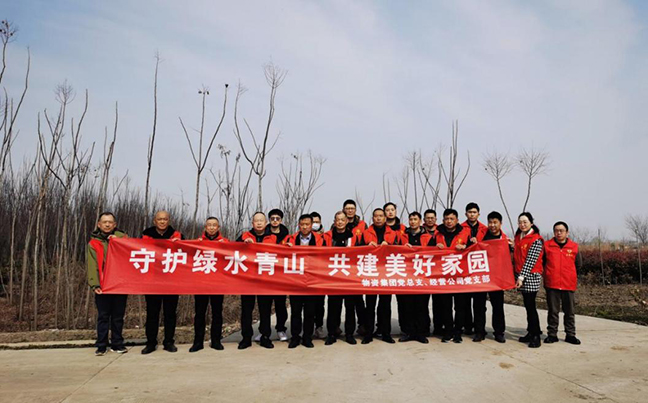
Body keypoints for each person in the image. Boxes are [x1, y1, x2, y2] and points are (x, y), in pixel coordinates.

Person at [141, 211, 183, 354]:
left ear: (169, 220)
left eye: (165, 219)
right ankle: (151, 342)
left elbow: (187, 253)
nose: (162, 221)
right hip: (152, 281)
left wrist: (179, 243)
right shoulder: (146, 235)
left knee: (170, 314)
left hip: (171, 281)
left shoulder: (177, 236)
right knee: (152, 314)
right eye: (160, 219)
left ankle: (169, 342)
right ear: (155, 221)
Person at [87, 212, 128, 356]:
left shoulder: (123, 239)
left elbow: (132, 253)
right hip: (103, 285)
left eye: (110, 222)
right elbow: (92, 265)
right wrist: (95, 284)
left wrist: (119, 242)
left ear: (115, 225)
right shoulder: (94, 243)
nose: (107, 224)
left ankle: (117, 343)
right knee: (103, 316)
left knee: (118, 316)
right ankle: (101, 344)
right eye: (104, 222)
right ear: (99, 225)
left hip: (120, 284)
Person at [359, 208, 400, 344]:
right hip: (371, 273)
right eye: (376, 216)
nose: (378, 218)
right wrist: (366, 246)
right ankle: (368, 333)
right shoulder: (366, 233)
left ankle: (386, 333)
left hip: (386, 273)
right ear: (372, 218)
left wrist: (389, 245)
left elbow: (400, 250)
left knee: (385, 305)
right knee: (370, 305)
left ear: (385, 218)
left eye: (381, 216)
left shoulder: (393, 233)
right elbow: (357, 251)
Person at [236, 212, 277, 350]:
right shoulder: (244, 236)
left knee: (265, 311)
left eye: (261, 221)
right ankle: (246, 337)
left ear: (266, 223)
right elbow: (232, 251)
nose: (259, 223)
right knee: (246, 311)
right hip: (248, 281)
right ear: (252, 223)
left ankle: (265, 336)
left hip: (266, 281)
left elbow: (281, 255)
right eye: (256, 221)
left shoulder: (273, 238)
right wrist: (243, 245)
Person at [285, 214, 326, 348]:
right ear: (299, 225)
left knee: (310, 312)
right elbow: (281, 253)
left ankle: (307, 337)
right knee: (295, 312)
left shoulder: (320, 239)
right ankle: (295, 337)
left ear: (311, 225)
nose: (304, 227)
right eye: (302, 224)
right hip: (295, 281)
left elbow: (326, 256)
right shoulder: (291, 239)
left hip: (312, 281)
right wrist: (286, 248)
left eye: (307, 224)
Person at [323, 211, 362, 345]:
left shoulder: (354, 237)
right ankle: (332, 333)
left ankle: (349, 334)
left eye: (342, 220)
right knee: (333, 308)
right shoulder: (327, 237)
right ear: (334, 222)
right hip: (333, 278)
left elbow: (361, 253)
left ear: (346, 221)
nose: (340, 222)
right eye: (337, 220)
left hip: (349, 278)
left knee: (350, 308)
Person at [190, 217, 228, 353]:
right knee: (200, 313)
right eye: (209, 225)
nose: (212, 227)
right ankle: (198, 342)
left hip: (217, 283)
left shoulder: (225, 243)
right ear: (205, 227)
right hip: (201, 283)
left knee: (217, 313)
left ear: (218, 228)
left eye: (214, 225)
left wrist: (225, 247)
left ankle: (216, 340)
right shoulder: (198, 243)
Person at [473, 211, 512, 343]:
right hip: (481, 275)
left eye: (495, 222)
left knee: (498, 306)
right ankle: (479, 331)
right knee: (479, 305)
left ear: (501, 223)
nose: (492, 225)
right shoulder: (481, 236)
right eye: (490, 222)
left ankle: (499, 332)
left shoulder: (504, 240)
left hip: (496, 278)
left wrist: (511, 247)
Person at [435, 208, 471, 343]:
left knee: (460, 307)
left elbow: (474, 251)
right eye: (446, 219)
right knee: (446, 306)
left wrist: (466, 247)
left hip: (460, 277)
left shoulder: (465, 234)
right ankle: (448, 331)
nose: (449, 221)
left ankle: (458, 332)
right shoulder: (437, 235)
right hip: (444, 276)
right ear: (443, 220)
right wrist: (435, 247)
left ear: (457, 220)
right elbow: (427, 253)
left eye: (452, 219)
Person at [543, 221, 582, 345]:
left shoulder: (574, 247)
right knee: (553, 311)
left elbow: (578, 264)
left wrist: (569, 274)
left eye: (561, 231)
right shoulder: (547, 246)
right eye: (556, 231)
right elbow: (542, 263)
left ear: (567, 232)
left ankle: (570, 334)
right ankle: (552, 334)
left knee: (569, 311)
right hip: (552, 283)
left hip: (568, 283)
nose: (559, 233)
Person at [400, 211, 435, 344]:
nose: (413, 222)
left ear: (420, 221)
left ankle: (421, 332)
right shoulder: (403, 237)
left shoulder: (428, 237)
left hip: (423, 276)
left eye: (415, 219)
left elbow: (434, 254)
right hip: (407, 276)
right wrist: (402, 248)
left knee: (422, 305)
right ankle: (408, 332)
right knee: (407, 306)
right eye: (411, 219)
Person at [514, 212, 544, 348]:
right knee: (527, 305)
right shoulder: (518, 237)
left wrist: (521, 277)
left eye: (525, 222)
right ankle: (531, 332)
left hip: (531, 276)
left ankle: (536, 335)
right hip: (521, 276)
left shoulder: (536, 239)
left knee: (531, 307)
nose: (522, 224)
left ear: (531, 223)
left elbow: (530, 261)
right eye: (520, 222)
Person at [261, 208, 290, 342]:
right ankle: (264, 331)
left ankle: (281, 329)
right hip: (266, 276)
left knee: (280, 305)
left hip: (280, 277)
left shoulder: (287, 236)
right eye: (272, 218)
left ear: (281, 220)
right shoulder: (263, 235)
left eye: (277, 218)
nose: (275, 221)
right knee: (264, 306)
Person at [462, 202, 489, 336]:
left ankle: (480, 329)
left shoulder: (485, 229)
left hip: (479, 269)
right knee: (465, 302)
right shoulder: (460, 228)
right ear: (466, 214)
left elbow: (491, 245)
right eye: (470, 212)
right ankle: (468, 326)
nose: (472, 214)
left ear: (478, 214)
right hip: (464, 270)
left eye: (474, 212)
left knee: (479, 303)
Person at [342, 199, 368, 336]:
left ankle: (363, 325)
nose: (350, 210)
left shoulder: (362, 225)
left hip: (358, 266)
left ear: (355, 210)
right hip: (343, 266)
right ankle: (342, 329)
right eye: (347, 208)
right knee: (345, 301)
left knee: (358, 299)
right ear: (344, 210)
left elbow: (367, 241)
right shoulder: (339, 223)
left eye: (352, 208)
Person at [424, 209, 443, 337]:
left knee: (438, 303)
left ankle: (438, 327)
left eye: (432, 218)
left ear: (436, 219)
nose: (430, 220)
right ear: (424, 220)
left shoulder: (441, 232)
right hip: (423, 273)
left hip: (438, 272)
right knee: (423, 303)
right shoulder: (419, 232)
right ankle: (424, 328)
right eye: (428, 218)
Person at [310, 210, 327, 339]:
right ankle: (309, 327)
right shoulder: (299, 237)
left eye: (317, 222)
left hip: (321, 276)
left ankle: (319, 326)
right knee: (308, 304)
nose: (315, 224)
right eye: (313, 222)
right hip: (307, 275)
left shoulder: (325, 238)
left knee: (320, 304)